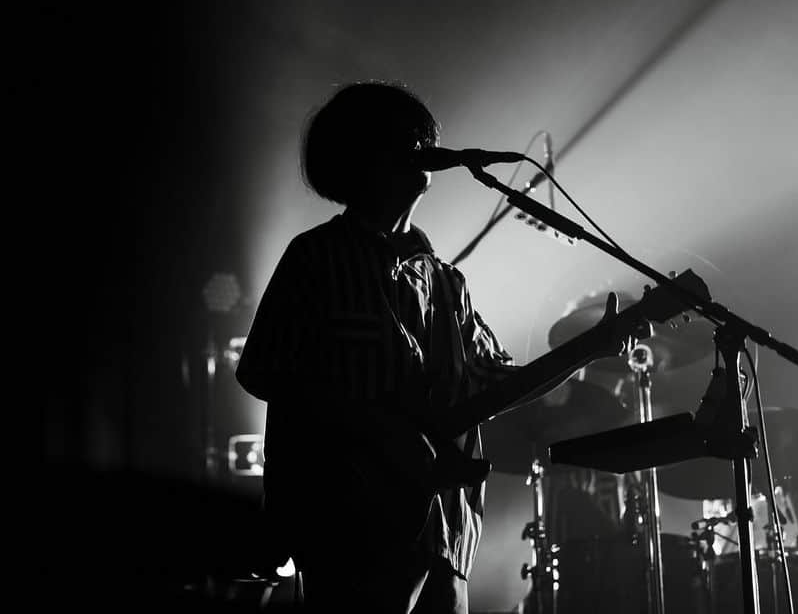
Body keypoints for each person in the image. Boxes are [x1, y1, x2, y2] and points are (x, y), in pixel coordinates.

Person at [236, 81, 634, 613]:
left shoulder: (447, 285)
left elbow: (497, 384)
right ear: (365, 153)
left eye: (425, 137)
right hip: (346, 527)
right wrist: (377, 430)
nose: (424, 146)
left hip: (444, 532)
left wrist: (592, 348)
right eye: (409, 137)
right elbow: (263, 370)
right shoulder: (317, 257)